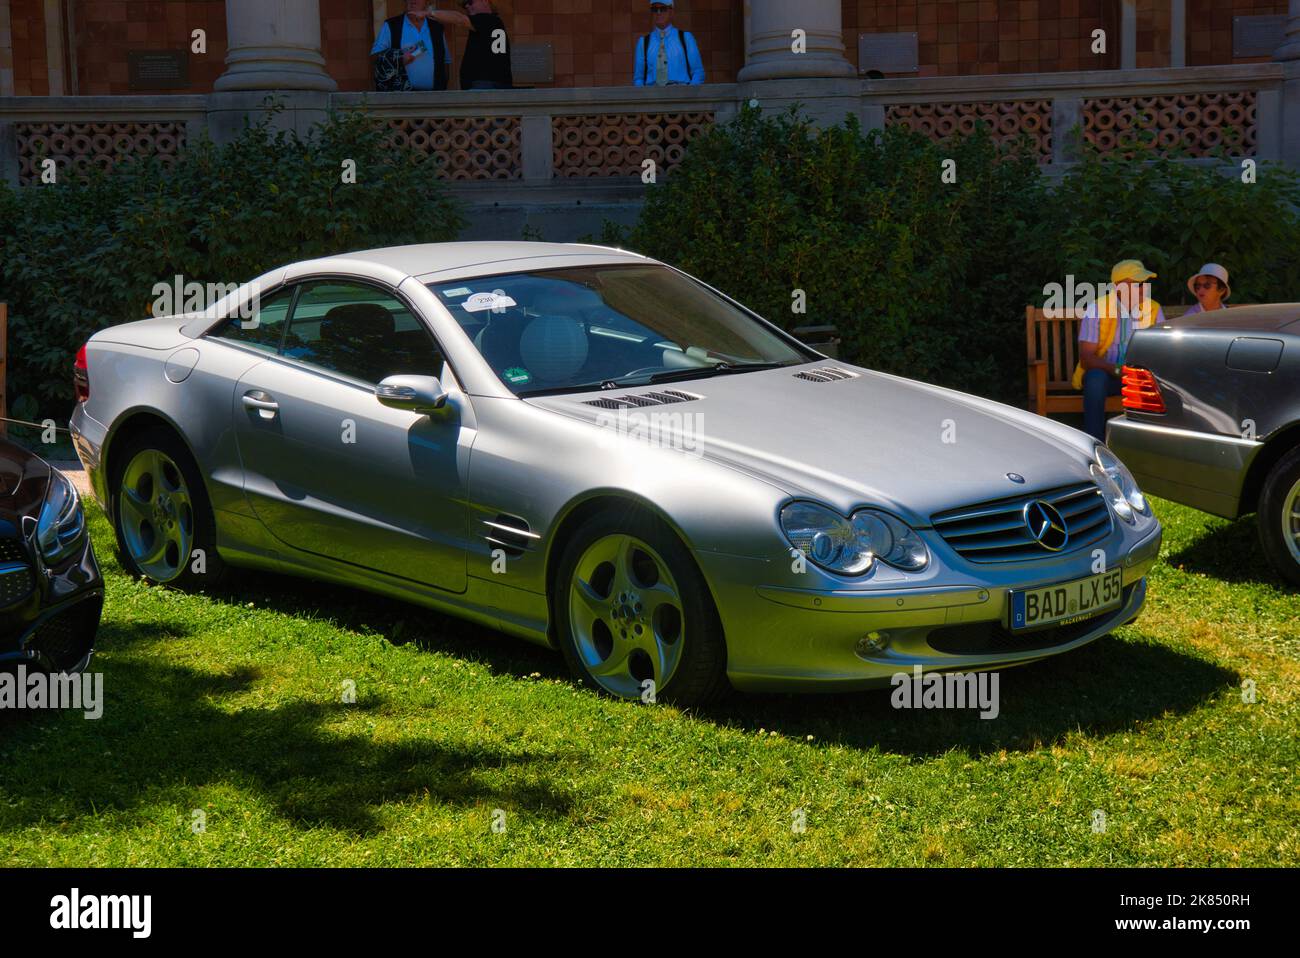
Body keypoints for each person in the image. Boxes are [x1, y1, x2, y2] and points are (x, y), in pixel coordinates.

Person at [1077, 259, 1167, 442]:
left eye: (1145, 284)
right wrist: (1117, 369)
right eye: (1138, 284)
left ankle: (1149, 445)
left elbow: (1161, 350)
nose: (1144, 289)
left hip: (1138, 376)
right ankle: (1094, 442)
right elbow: (1086, 358)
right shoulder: (1097, 309)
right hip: (1107, 376)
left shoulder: (1153, 309)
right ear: (1119, 286)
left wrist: (1136, 372)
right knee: (1095, 378)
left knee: (1156, 381)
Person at [370, 0, 461, 91]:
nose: (413, 1)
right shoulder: (391, 25)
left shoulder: (436, 27)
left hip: (433, 97)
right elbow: (376, 58)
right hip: (400, 97)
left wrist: (442, 88)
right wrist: (399, 58)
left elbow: (445, 62)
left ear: (426, 2)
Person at [633, 1, 705, 87]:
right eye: (655, 9)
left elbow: (698, 72)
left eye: (663, 9)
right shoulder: (643, 42)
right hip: (652, 95)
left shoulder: (685, 38)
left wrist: (688, 95)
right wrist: (645, 97)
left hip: (681, 93)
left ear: (671, 12)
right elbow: (639, 78)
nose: (658, 13)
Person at [459, 0, 513, 90]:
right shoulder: (495, 21)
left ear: (484, 1)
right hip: (498, 82)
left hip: (483, 84)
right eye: (465, 5)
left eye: (470, 2)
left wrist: (431, 13)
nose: (467, 6)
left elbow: (459, 19)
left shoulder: (484, 18)